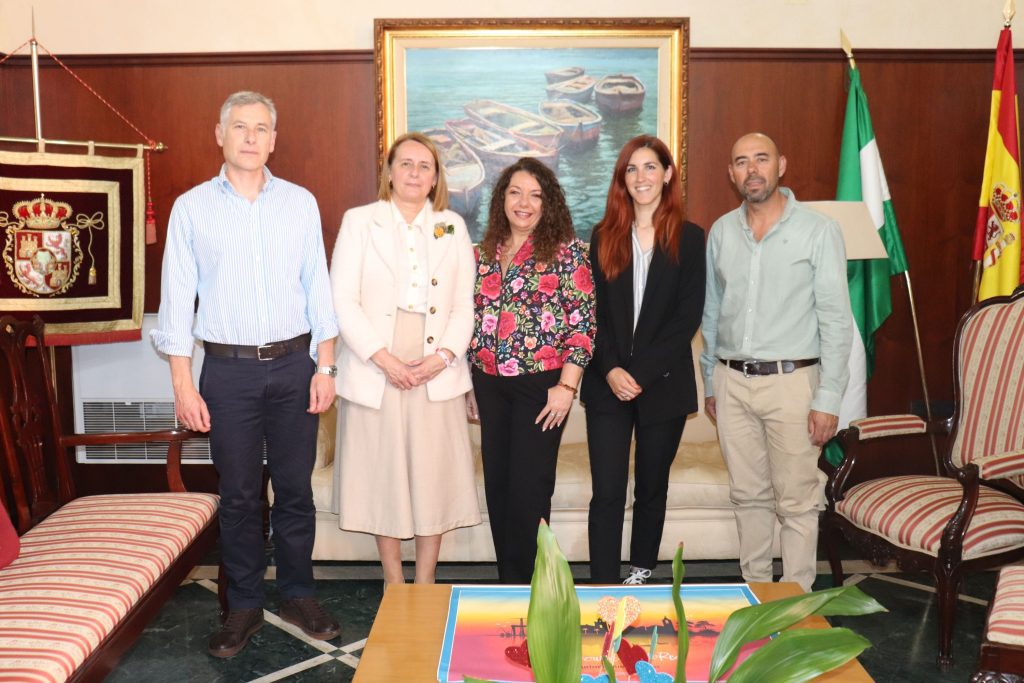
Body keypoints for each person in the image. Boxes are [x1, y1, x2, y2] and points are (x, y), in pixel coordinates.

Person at [152, 91, 341, 658]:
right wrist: (183, 385)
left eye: (261, 128)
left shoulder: (300, 203)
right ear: (220, 134)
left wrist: (326, 366)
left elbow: (319, 289)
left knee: (295, 490)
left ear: (273, 139)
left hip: (294, 365)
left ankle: (299, 594)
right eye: (240, 127)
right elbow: (176, 301)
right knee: (236, 496)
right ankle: (243, 606)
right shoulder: (191, 208)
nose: (251, 137)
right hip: (227, 372)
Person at [701, 132, 852, 592]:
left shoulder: (818, 230)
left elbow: (836, 321)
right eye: (741, 161)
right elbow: (712, 312)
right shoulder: (721, 232)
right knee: (747, 497)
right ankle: (757, 597)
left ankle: (795, 604)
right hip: (731, 383)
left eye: (761, 159)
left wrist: (828, 398)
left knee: (797, 502)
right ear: (731, 173)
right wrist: (710, 381)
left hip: (793, 384)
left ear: (780, 165)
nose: (752, 169)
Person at [330, 132, 481, 585]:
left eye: (425, 166)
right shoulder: (360, 221)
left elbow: (464, 305)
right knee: (385, 475)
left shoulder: (452, 226)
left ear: (436, 178)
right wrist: (384, 359)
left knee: (433, 476)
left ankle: (426, 581)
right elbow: (342, 300)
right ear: (390, 172)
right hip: (375, 361)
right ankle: (395, 582)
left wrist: (444, 356)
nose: (415, 173)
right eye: (406, 164)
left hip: (437, 365)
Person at [581, 135, 706, 585]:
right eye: (631, 169)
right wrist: (613, 369)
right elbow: (590, 313)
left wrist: (640, 373)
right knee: (607, 491)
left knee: (652, 486)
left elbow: (686, 317)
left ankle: (640, 572)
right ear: (623, 179)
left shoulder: (690, 238)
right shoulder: (602, 236)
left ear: (667, 174)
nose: (641, 177)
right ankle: (602, 582)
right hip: (607, 382)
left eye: (650, 167)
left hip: (664, 383)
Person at [468, 157, 596, 584]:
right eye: (515, 193)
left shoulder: (567, 253)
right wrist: (469, 383)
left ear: (549, 203)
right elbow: (470, 321)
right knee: (499, 488)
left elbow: (582, 325)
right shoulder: (482, 253)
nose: (524, 203)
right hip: (488, 385)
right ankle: (508, 585)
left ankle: (531, 590)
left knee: (529, 491)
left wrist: (567, 387)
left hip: (541, 388)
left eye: (535, 195)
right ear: (502, 199)